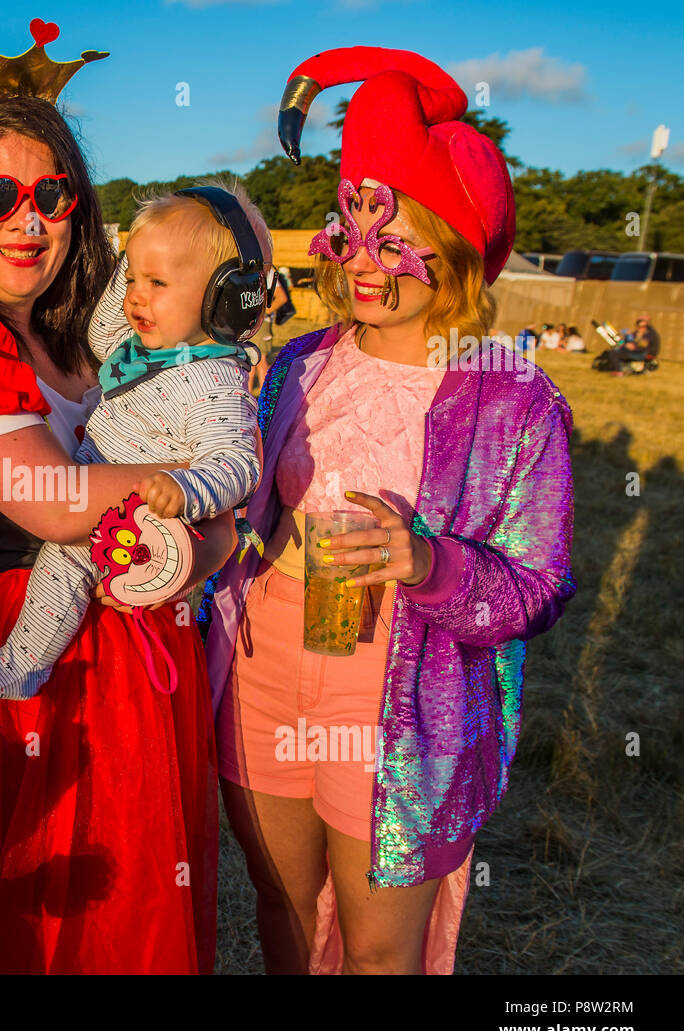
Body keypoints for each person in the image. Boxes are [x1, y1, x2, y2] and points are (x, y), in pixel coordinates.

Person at [208, 47, 575, 975]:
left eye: (393, 233)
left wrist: (427, 564)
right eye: (350, 225)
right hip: (261, 667)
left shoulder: (513, 399)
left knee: (379, 954)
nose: (362, 260)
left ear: (452, 243)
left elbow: (537, 586)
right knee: (282, 913)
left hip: (398, 698)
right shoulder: (299, 362)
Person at [0, 90, 233, 974]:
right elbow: (56, 498)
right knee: (17, 921)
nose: (25, 221)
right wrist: (206, 495)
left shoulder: (101, 331)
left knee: (115, 929)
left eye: (52, 195)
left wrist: (217, 534)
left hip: (134, 661)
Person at [0, 185, 265, 701]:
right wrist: (132, 260)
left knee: (64, 559)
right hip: (108, 493)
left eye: (157, 282)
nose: (136, 297)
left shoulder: (214, 381)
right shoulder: (146, 350)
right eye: (133, 279)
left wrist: (188, 489)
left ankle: (25, 662)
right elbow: (101, 335)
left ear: (225, 302)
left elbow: (238, 463)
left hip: (139, 518)